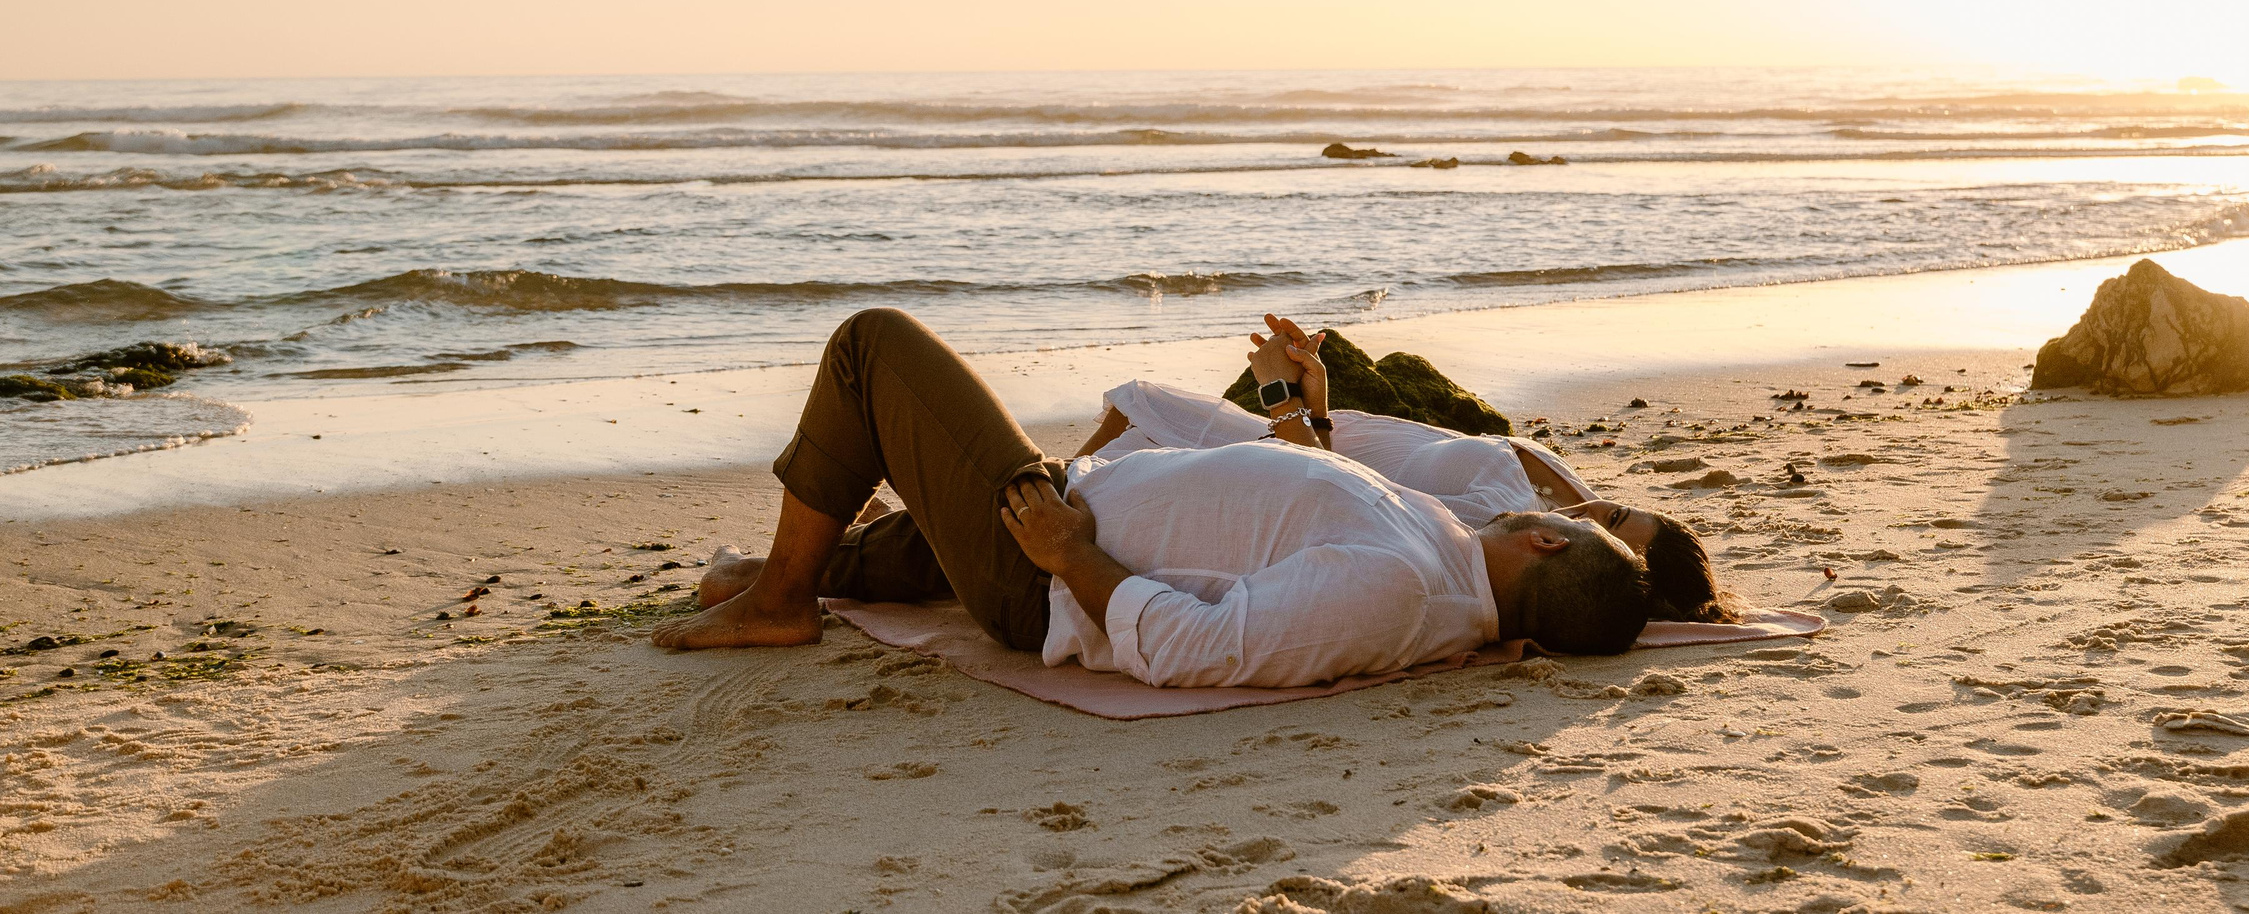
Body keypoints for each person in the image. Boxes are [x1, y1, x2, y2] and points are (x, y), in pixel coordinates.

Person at [652, 309, 1651, 684]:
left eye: (1567, 519)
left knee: (873, 346)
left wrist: (1068, 553)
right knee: (834, 549)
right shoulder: (1442, 556)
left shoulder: (1398, 591)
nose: (1555, 509)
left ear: (1547, 545)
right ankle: (777, 578)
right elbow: (1305, 486)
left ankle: (782, 601)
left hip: (1042, 564)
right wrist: (1298, 402)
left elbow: (1196, 647)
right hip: (1069, 512)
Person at [1075, 339, 1738, 625]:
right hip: (1320, 434)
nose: (1592, 515)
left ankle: (1053, 502)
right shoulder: (1561, 494)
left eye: (1609, 536)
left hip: (1287, 458)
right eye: (1617, 512)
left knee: (1138, 419)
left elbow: (1349, 495)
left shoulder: (1497, 529)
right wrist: (1318, 398)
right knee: (1136, 417)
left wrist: (1287, 400)